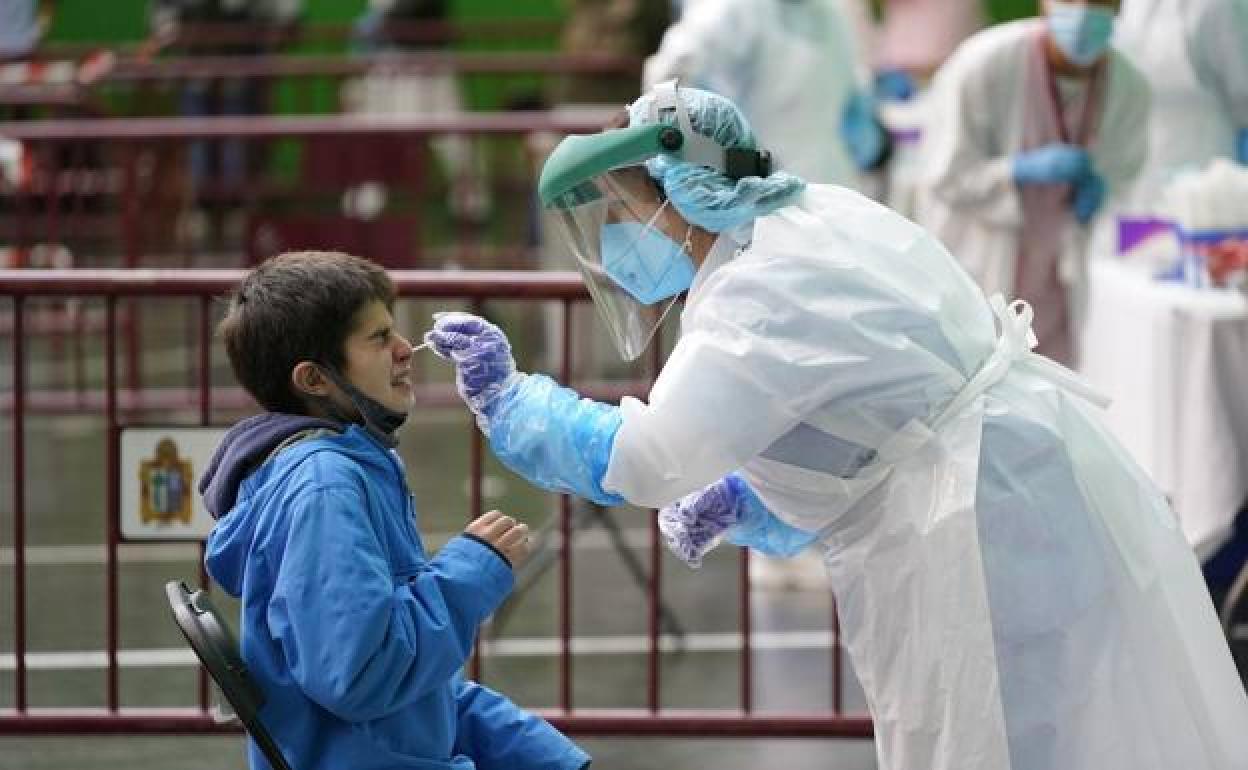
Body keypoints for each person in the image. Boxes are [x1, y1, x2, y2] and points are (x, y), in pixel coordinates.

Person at [424, 82, 1248, 770]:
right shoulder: (816, 218)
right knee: (1074, 733)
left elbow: (650, 457)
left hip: (978, 534)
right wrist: (759, 498)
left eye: (625, 210)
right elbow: (873, 410)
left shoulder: (758, 291)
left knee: (1009, 741)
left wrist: (513, 402)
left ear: (678, 197)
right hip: (1015, 491)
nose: (619, 238)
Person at [199, 251, 590, 770]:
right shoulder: (325, 488)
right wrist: (469, 574)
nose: (407, 350)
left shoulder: (353, 469)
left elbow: (427, 696)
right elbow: (362, 673)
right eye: (380, 339)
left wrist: (551, 759)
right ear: (314, 380)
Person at [916, 0, 1149, 366]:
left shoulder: (1130, 87)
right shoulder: (985, 63)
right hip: (979, 270)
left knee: (1052, 392)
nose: (1085, 11)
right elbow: (943, 175)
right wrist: (1014, 172)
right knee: (972, 389)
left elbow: (1127, 179)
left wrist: (1102, 193)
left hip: (1058, 283)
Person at [643, 0, 887, 187]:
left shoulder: (832, 14)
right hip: (756, 197)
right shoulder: (732, 9)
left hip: (832, 193)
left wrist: (877, 144)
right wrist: (705, 162)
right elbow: (669, 83)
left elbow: (857, 114)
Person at [1112, 0, 1248, 205]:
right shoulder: (1121, 8)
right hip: (1131, 183)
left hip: (1204, 184)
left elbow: (1243, 95)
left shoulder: (1217, 8)